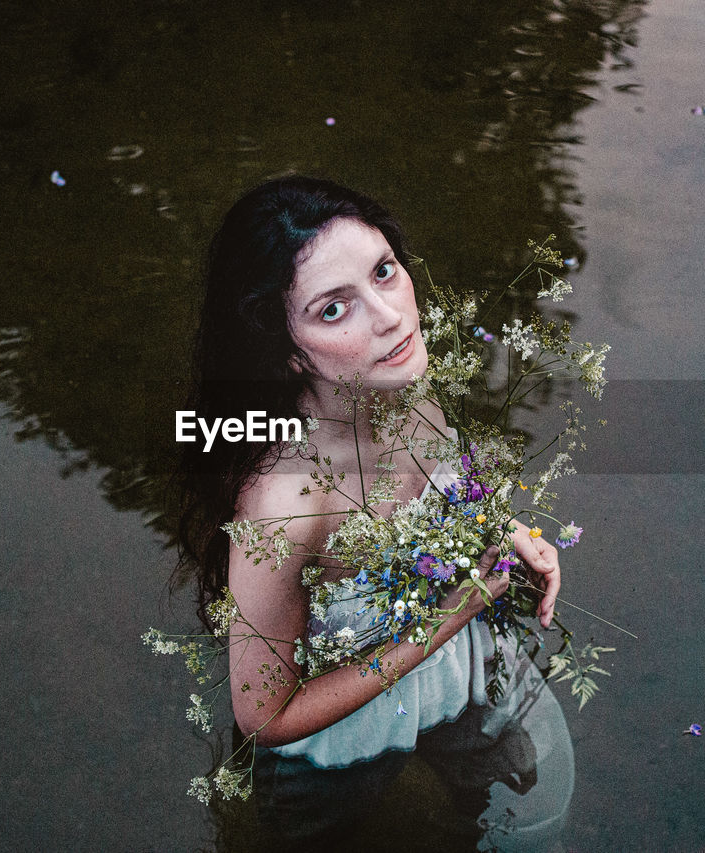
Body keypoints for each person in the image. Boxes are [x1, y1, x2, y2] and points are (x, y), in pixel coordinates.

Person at [176, 176, 574, 851]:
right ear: (286, 348)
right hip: (338, 742)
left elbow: (453, 492)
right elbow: (264, 717)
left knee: (521, 813)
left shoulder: (405, 383)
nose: (390, 316)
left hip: (458, 679)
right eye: (335, 309)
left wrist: (506, 531)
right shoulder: (285, 503)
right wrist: (446, 617)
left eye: (384, 271)